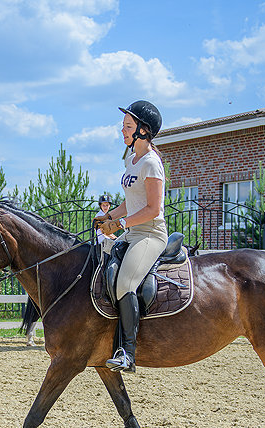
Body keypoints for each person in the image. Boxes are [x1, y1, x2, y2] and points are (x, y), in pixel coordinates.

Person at [94, 100, 168, 373]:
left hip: (150, 234)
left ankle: (128, 352)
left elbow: (152, 209)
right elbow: (130, 202)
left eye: (128, 126)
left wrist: (119, 224)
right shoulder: (131, 159)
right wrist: (108, 218)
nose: (122, 131)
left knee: (125, 283)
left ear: (143, 131)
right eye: (123, 126)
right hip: (131, 231)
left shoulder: (151, 163)